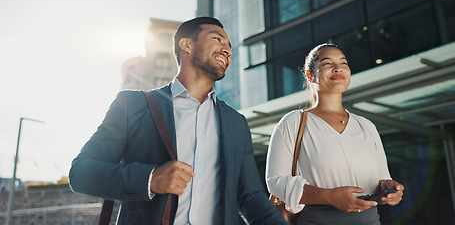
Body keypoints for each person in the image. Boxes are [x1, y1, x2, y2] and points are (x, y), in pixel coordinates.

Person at [69, 17, 288, 225]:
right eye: (217, 39)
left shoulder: (236, 122)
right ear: (187, 44)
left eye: (229, 46)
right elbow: (81, 172)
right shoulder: (133, 105)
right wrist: (150, 179)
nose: (227, 50)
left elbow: (250, 197)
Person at [265, 43, 404, 225]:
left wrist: (390, 189)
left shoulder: (366, 126)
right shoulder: (293, 122)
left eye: (343, 63)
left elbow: (382, 178)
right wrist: (328, 196)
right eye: (327, 64)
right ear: (310, 76)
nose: (338, 68)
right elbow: (275, 181)